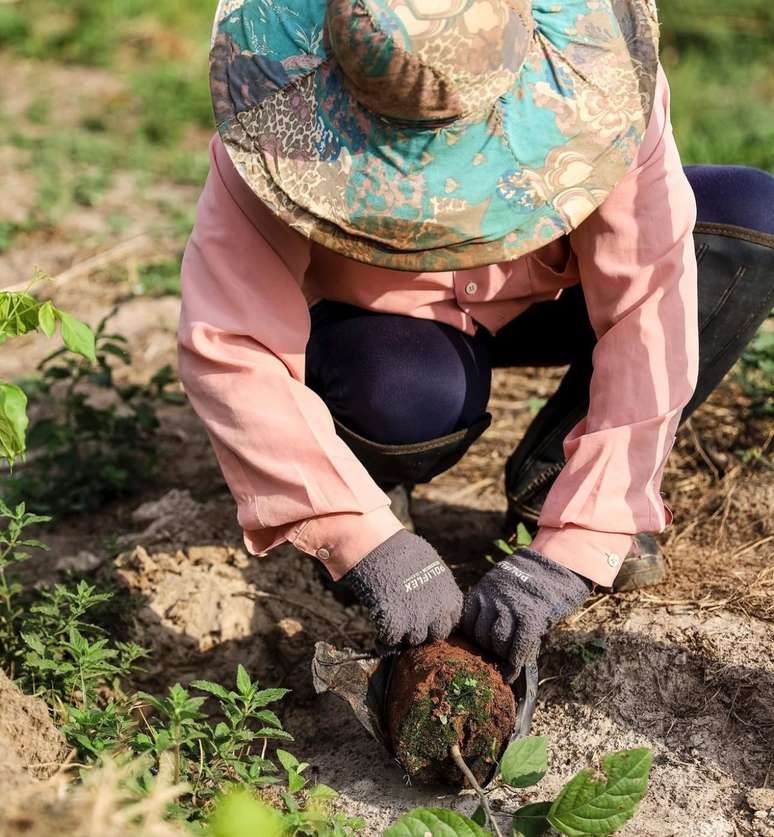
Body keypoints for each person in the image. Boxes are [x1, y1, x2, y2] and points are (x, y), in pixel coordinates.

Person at [178, 0, 774, 679]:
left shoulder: (602, 78)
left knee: (751, 222)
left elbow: (649, 302)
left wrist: (578, 541)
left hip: (553, 290)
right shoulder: (275, 114)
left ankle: (558, 483)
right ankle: (369, 469)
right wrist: (362, 537)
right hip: (395, 331)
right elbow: (230, 342)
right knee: (401, 394)